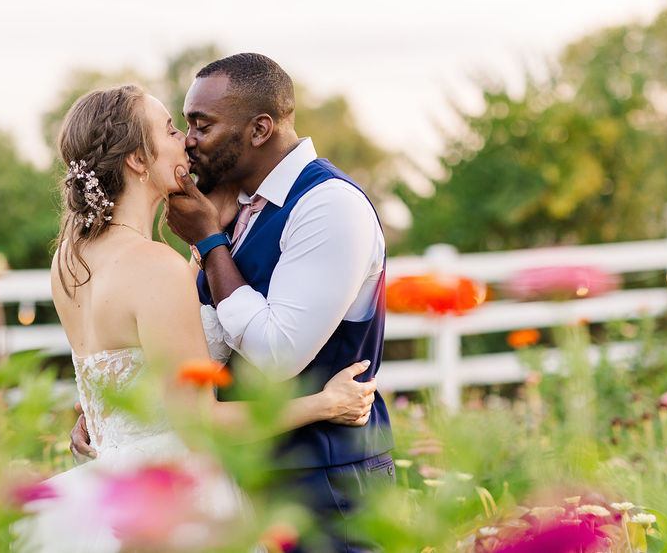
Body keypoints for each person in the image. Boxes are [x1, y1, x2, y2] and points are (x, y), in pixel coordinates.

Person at [22, 84, 378, 552]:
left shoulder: (70, 260)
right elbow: (199, 422)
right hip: (175, 498)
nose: (185, 140)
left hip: (111, 490)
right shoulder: (153, 267)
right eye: (170, 129)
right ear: (137, 158)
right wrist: (326, 404)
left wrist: (206, 241)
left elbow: (125, 371)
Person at [165, 53, 395, 552]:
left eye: (201, 125)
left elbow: (277, 356)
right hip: (247, 477)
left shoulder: (329, 205)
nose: (188, 141)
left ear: (259, 129)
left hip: (325, 482)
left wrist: (210, 244)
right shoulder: (236, 207)